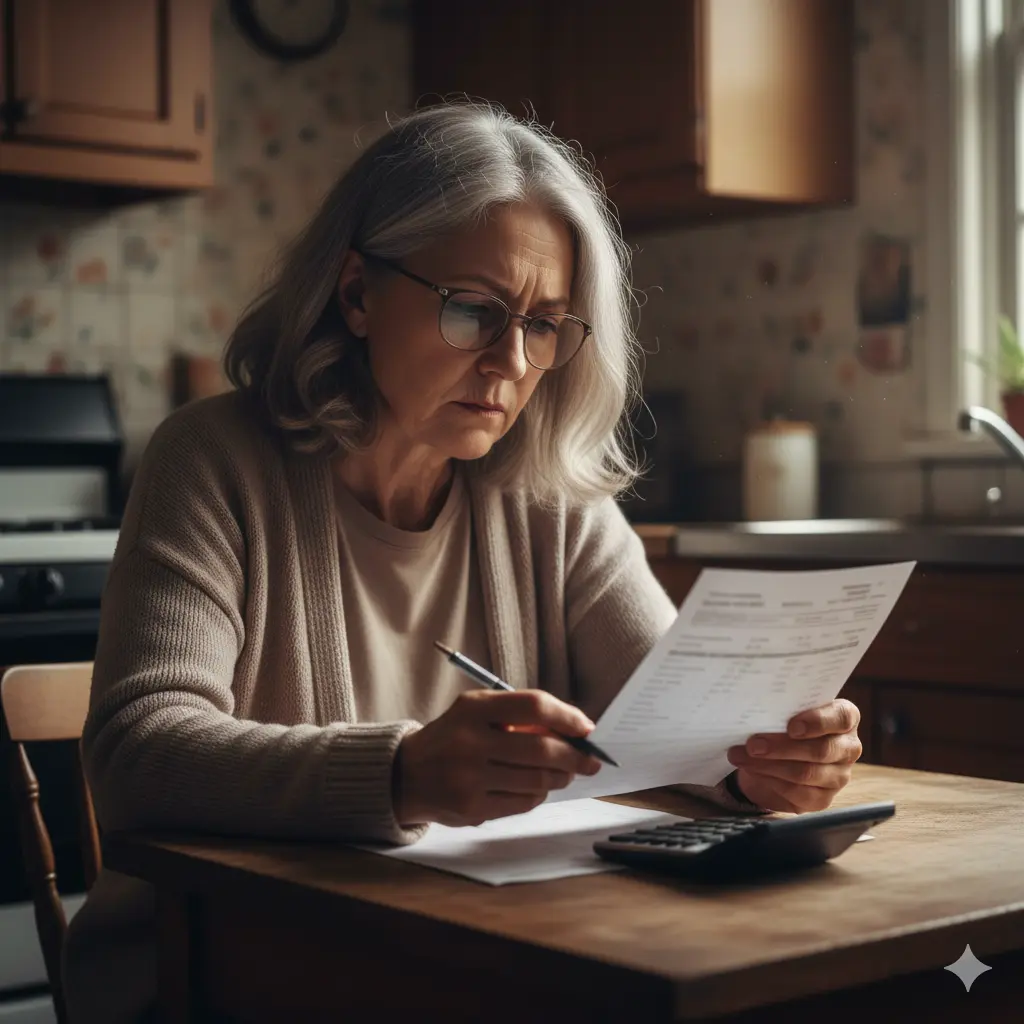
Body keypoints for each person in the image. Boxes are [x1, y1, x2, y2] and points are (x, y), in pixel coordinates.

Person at [63, 101, 862, 1022]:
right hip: (218, 968)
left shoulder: (549, 494)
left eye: (547, 325)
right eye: (473, 310)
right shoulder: (210, 459)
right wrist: (400, 774)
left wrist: (755, 763)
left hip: (457, 961)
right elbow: (135, 754)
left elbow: (668, 715)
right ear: (357, 293)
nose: (511, 363)